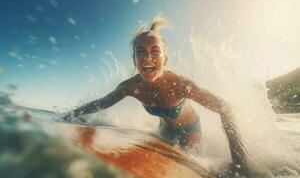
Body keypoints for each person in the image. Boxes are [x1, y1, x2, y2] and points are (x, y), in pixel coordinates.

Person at [63, 17, 251, 176]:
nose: (147, 57)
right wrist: (67, 117)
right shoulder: (131, 87)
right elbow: (101, 103)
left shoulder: (180, 85)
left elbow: (225, 108)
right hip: (165, 128)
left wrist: (239, 162)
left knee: (187, 162)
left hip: (190, 130)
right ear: (134, 59)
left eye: (155, 51)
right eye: (140, 52)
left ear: (165, 59)